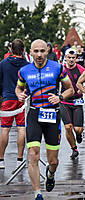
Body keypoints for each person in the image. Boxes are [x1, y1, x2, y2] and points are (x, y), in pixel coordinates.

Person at [15, 39, 74, 200]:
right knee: (33, 154)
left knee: (53, 161)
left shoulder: (57, 68)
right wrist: (19, 94)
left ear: (47, 51)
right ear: (30, 52)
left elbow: (71, 88)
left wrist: (60, 96)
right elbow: (19, 87)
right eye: (36, 51)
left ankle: (50, 174)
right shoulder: (24, 70)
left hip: (52, 115)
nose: (39, 54)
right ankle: (37, 193)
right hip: (34, 114)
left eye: (42, 51)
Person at [0, 39, 29, 169]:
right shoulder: (27, 65)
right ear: (23, 50)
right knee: (21, 128)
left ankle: (1, 160)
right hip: (21, 99)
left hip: (7, 99)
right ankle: (19, 159)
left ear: (10, 49)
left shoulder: (3, 64)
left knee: (5, 129)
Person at [60, 48, 85, 160]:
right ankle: (74, 149)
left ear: (76, 58)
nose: (71, 60)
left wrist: (84, 89)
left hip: (77, 101)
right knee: (68, 127)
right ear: (65, 58)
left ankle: (79, 134)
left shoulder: (81, 69)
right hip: (64, 101)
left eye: (73, 58)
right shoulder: (61, 69)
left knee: (77, 129)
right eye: (69, 58)